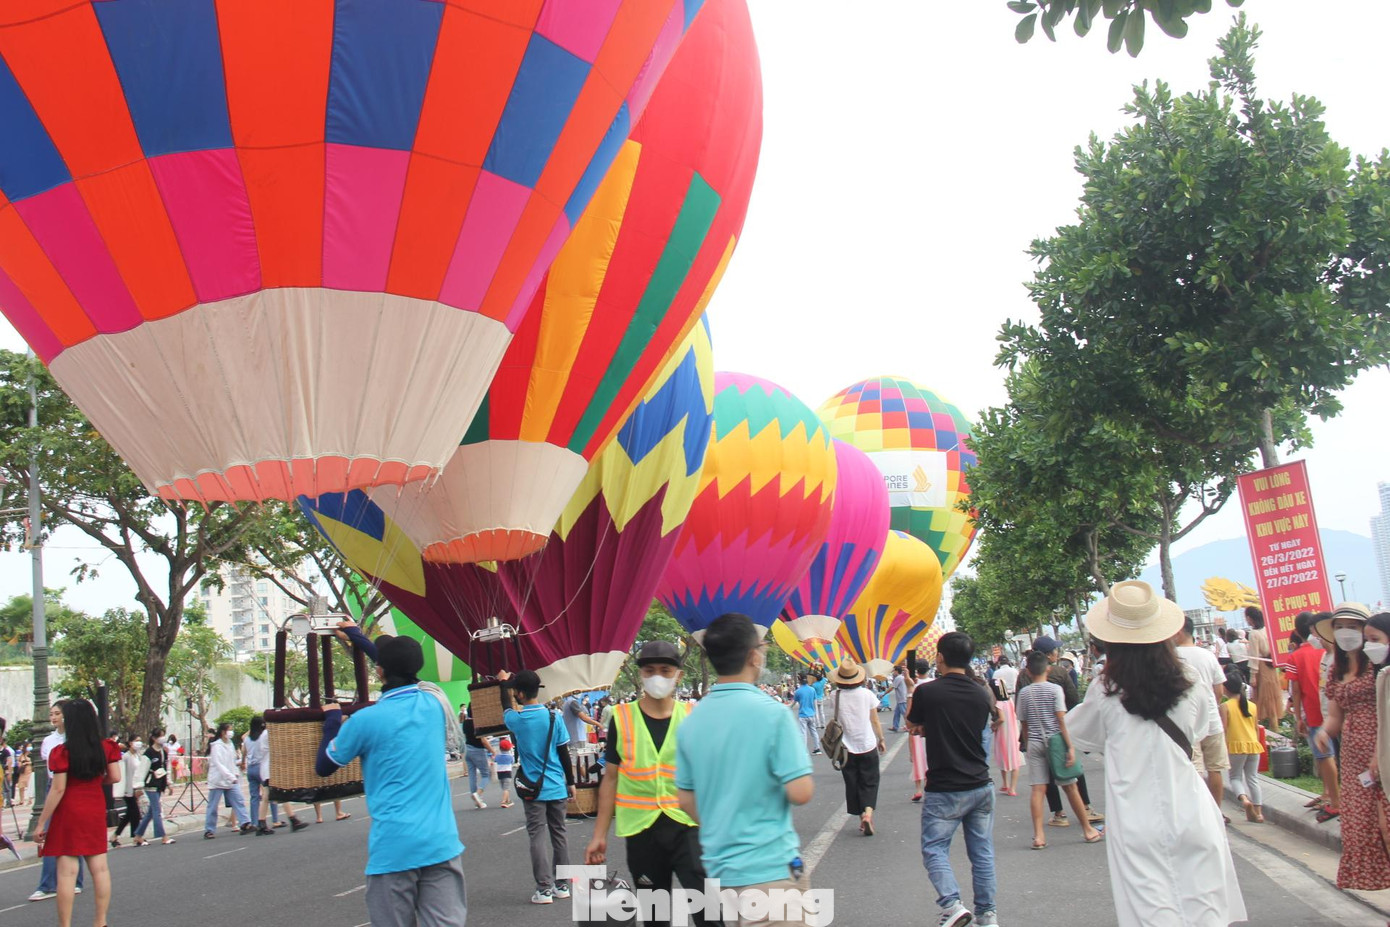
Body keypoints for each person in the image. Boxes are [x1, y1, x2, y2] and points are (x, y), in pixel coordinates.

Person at [1067, 580, 1246, 927]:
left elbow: (1083, 732)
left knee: (1150, 915)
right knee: (1205, 911)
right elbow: (1201, 729)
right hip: (1191, 808)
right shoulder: (1190, 678)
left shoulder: (1105, 688)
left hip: (1136, 817)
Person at [317, 634, 467, 926]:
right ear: (418, 667)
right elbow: (399, 665)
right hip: (441, 844)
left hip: (393, 850)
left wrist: (333, 720)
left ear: (380, 670)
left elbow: (324, 765)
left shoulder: (364, 720)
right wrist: (357, 637)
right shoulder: (435, 703)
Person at [675, 613, 814, 926]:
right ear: (753, 656)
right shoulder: (774, 715)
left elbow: (685, 799)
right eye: (762, 647)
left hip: (721, 873)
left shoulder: (691, 722)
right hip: (771, 870)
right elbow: (801, 791)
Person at [586, 640, 717, 927]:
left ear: (678, 675)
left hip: (689, 826)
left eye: (665, 670)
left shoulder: (694, 716)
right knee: (656, 916)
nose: (658, 676)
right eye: (650, 669)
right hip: (643, 831)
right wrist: (599, 834)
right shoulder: (620, 718)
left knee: (709, 912)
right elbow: (610, 779)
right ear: (641, 674)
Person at [906, 631, 998, 927]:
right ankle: (987, 914)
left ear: (940, 657)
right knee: (982, 853)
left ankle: (951, 904)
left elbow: (912, 724)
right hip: (981, 784)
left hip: (945, 787)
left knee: (934, 848)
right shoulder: (980, 693)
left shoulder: (927, 692)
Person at [1313, 603, 1390, 890]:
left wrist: (1379, 754)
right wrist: (1323, 732)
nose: (1346, 633)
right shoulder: (1337, 669)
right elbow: (1335, 715)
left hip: (1382, 752)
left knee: (1386, 828)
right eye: (1339, 626)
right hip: (1355, 761)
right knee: (1363, 832)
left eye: (1353, 626)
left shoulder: (1379, 664)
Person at [34, 699, 121, 927]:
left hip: (69, 810)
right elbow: (115, 777)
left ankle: (65, 924)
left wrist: (41, 822)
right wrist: (95, 782)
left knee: (66, 873)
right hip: (94, 807)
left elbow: (58, 788)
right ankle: (100, 922)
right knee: (100, 868)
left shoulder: (62, 752)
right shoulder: (106, 747)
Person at [499, 669, 574, 904]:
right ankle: (563, 886)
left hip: (533, 789)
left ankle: (544, 889)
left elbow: (505, 706)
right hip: (556, 786)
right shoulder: (554, 717)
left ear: (519, 693)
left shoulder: (516, 720)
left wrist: (503, 684)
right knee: (559, 834)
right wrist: (571, 782)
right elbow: (564, 753)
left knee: (537, 836)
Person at [1016, 651, 1102, 850]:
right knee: (1070, 786)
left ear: (1028, 671)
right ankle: (1088, 830)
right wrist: (1070, 746)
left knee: (1038, 789)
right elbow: (1061, 719)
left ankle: (1039, 836)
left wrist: (1028, 746)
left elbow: (1024, 723)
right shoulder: (1055, 689)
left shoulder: (1024, 693)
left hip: (1035, 743)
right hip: (1056, 742)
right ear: (1048, 668)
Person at [1173, 615, 1230, 816]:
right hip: (1212, 721)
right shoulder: (1207, 655)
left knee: (1194, 770)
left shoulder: (1173, 657)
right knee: (1215, 769)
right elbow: (1220, 690)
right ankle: (1217, 812)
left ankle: (1200, 814)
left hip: (1187, 723)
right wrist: (1210, 706)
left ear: (1179, 632)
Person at [30, 703, 86, 902]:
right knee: (50, 834)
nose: (53, 717)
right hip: (54, 785)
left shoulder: (75, 739)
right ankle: (48, 884)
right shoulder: (48, 741)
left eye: (57, 713)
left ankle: (75, 882)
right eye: (51, 714)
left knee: (71, 834)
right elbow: (50, 771)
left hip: (71, 785)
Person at [1286, 611, 1340, 818]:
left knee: (1325, 757)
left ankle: (1333, 799)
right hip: (1327, 711)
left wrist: (1299, 716)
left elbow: (1296, 689)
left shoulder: (1296, 656)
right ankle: (1328, 795)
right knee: (1327, 756)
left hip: (1314, 712)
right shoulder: (1326, 654)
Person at [825, 658, 885, 836]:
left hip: (845, 748)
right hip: (867, 744)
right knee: (870, 781)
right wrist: (881, 739)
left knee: (853, 783)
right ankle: (868, 813)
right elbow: (874, 719)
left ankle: (861, 818)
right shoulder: (867, 695)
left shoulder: (834, 696)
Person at [1220, 669, 1264, 823]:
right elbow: (1256, 728)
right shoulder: (1252, 706)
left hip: (1235, 746)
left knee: (1235, 777)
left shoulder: (1225, 706)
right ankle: (1258, 813)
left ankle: (1244, 800)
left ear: (1226, 688)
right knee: (1253, 778)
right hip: (1253, 744)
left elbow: (1224, 729)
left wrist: (1223, 747)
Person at [204, 722, 252, 838]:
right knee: (213, 806)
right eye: (229, 730)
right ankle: (209, 830)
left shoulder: (230, 744)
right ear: (223, 732)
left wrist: (235, 773)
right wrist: (230, 776)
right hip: (218, 780)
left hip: (231, 779)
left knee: (239, 800)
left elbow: (231, 762)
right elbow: (218, 763)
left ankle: (245, 822)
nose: (231, 732)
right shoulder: (216, 746)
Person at [131, 728, 176, 847]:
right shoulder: (149, 753)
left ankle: (138, 835)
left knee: (151, 812)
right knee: (157, 810)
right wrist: (138, 787)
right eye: (160, 736)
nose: (163, 738)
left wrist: (169, 783)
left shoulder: (164, 752)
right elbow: (141, 770)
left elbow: (167, 769)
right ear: (154, 738)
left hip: (160, 784)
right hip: (151, 784)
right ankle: (163, 836)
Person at [1244, 606, 1284, 726]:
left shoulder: (1254, 634)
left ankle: (1265, 729)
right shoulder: (1267, 630)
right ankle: (1275, 726)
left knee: (1263, 699)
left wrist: (1252, 676)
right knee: (1273, 697)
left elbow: (1254, 656)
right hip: (1271, 666)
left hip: (1261, 667)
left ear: (1250, 618)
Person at [243, 716, 278, 836]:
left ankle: (254, 822)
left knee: (254, 797)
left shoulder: (247, 739)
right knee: (268, 794)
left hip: (250, 768)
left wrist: (243, 761)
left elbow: (244, 750)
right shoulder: (262, 737)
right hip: (261, 767)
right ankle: (275, 819)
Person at [109, 738, 144, 847]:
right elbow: (124, 774)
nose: (138, 742)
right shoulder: (126, 757)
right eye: (136, 740)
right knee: (135, 813)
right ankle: (136, 836)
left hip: (135, 787)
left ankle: (114, 836)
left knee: (129, 814)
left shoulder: (137, 755)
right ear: (130, 743)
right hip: (127, 789)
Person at [461, 705, 496, 809]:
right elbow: (483, 740)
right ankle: (478, 793)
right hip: (478, 750)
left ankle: (476, 799)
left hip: (467, 749)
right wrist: (492, 750)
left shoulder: (465, 722)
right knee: (486, 774)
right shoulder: (477, 723)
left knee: (472, 775)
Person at [792, 675, 821, 755]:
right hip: (811, 714)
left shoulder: (798, 691)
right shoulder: (812, 690)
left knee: (803, 733)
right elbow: (815, 702)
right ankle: (817, 748)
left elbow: (793, 703)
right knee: (814, 731)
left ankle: (804, 751)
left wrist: (788, 708)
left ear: (799, 681)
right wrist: (816, 715)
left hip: (803, 715)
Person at [495, 737, 515, 809]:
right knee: (506, 788)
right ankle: (504, 801)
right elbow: (512, 762)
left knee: (503, 787)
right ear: (509, 748)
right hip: (507, 773)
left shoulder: (498, 756)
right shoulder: (510, 757)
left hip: (499, 773)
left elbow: (495, 760)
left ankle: (508, 800)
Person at [890, 664, 910, 732]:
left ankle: (908, 726)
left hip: (902, 698)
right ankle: (895, 726)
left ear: (896, 671)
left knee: (904, 713)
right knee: (896, 713)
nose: (893, 672)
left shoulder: (898, 678)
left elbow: (892, 687)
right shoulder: (901, 677)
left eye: (894, 671)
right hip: (900, 699)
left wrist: (883, 694)